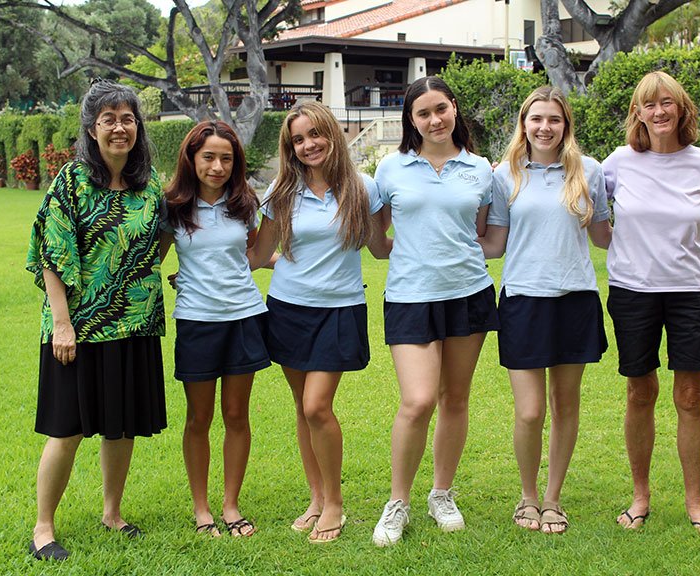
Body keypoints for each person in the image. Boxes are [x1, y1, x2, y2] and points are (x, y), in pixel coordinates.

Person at [25, 80, 166, 561]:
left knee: (120, 426)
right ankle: (43, 527)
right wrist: (62, 323)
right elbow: (51, 252)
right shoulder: (71, 181)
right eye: (109, 120)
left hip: (134, 324)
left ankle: (112, 512)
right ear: (91, 128)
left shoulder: (148, 184)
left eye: (127, 119)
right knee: (67, 429)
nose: (119, 128)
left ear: (138, 126)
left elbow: (162, 238)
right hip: (77, 330)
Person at [247, 101, 390, 543]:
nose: (308, 145)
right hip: (288, 308)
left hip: (340, 310)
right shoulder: (281, 192)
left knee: (316, 407)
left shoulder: (363, 188)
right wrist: (202, 269)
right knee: (302, 408)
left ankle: (334, 504)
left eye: (315, 134)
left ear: (331, 132)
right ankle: (316, 498)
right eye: (298, 139)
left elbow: (380, 248)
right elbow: (257, 254)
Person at [477, 86, 611, 534]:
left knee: (565, 406)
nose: (545, 127)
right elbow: (494, 244)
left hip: (575, 299)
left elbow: (603, 236)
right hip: (522, 301)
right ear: (524, 123)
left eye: (554, 119)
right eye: (536, 119)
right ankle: (527, 497)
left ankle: (552, 498)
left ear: (565, 124)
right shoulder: (506, 175)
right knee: (530, 411)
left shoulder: (589, 171)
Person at [371, 76, 498, 547]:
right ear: (411, 120)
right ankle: (397, 502)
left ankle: (441, 493)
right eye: (423, 113)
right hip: (410, 296)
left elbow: (486, 235)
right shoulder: (390, 168)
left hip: (468, 293)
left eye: (441, 109)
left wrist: (455, 255)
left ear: (454, 108)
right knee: (418, 400)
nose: (434, 120)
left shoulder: (481, 169)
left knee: (455, 398)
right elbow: (378, 239)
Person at [602, 71, 700, 538]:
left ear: (681, 110)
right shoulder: (617, 164)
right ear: (637, 113)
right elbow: (583, 204)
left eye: (667, 103)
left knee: (691, 398)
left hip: (692, 294)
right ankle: (641, 495)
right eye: (649, 104)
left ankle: (694, 502)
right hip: (633, 291)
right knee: (640, 392)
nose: (659, 112)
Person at [160, 121, 270, 538]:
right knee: (198, 418)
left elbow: (254, 254)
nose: (218, 166)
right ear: (191, 158)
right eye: (208, 156)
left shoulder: (245, 203)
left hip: (243, 317)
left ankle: (230, 505)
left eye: (226, 158)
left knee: (236, 415)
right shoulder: (174, 207)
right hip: (197, 322)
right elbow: (152, 258)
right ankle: (202, 508)